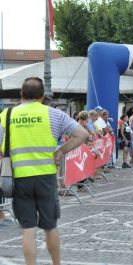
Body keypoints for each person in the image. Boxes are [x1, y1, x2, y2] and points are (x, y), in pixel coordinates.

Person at [0, 77, 88, 265]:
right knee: (50, 226)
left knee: (28, 229)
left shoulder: (7, 116)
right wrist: (61, 151)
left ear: (21, 95)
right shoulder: (53, 114)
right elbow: (83, 134)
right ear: (41, 96)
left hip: (20, 179)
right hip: (46, 177)